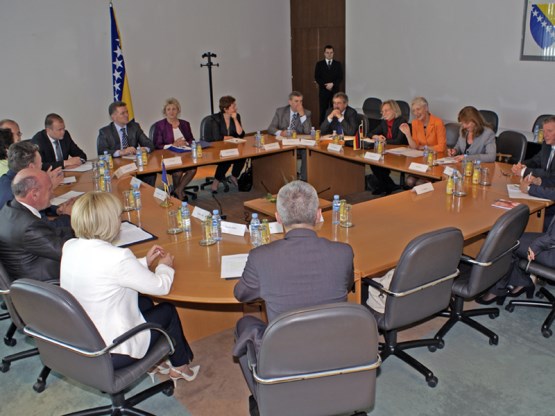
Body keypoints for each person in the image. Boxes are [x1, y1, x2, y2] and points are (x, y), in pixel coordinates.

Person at [60, 191, 199, 385]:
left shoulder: (71, 246)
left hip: (81, 338)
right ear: (109, 222)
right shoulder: (117, 257)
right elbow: (161, 286)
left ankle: (155, 364)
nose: (120, 221)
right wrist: (164, 266)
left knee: (144, 302)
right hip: (110, 351)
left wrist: (143, 262)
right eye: (118, 217)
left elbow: (105, 274)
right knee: (167, 310)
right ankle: (180, 367)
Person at [233, 180, 354, 400]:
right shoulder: (344, 252)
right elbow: (347, 285)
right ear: (318, 215)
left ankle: (267, 397)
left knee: (244, 324)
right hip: (334, 344)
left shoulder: (261, 257)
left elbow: (241, 294)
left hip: (284, 353)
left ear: (278, 218)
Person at [0, 168, 73, 281]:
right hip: (45, 285)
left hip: (26, 277)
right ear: (34, 194)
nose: (52, 193)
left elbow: (50, 233)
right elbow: (66, 251)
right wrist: (82, 226)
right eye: (49, 189)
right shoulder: (29, 226)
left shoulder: (9, 208)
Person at [97, 101, 156, 186]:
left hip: (134, 165)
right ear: (113, 117)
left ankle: (146, 197)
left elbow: (149, 143)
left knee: (150, 174)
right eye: (122, 113)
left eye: (127, 112)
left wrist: (144, 149)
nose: (127, 115)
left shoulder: (134, 127)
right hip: (116, 168)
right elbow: (101, 151)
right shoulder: (105, 132)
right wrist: (121, 152)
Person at [0, 141, 68, 214]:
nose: (42, 165)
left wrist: (57, 210)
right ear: (31, 167)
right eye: (40, 163)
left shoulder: (6, 179)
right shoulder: (18, 192)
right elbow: (40, 222)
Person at [152, 98, 197, 201]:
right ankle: (179, 192)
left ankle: (178, 190)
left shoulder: (185, 124)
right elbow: (157, 144)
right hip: (168, 156)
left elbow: (192, 140)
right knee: (178, 172)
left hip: (185, 155)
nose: (171, 112)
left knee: (193, 169)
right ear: (165, 112)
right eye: (168, 109)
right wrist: (173, 144)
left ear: (178, 111)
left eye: (174, 109)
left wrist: (185, 142)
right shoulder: (160, 125)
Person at [399, 97, 446, 187]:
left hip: (435, 162)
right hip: (421, 161)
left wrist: (424, 148)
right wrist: (407, 134)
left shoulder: (438, 122)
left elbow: (441, 147)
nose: (416, 113)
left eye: (418, 109)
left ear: (426, 108)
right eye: (413, 111)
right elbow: (414, 146)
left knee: (419, 183)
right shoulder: (415, 123)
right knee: (409, 181)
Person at [367, 100, 407, 195]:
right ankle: (388, 185)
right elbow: (370, 133)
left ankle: (387, 186)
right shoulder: (384, 122)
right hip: (388, 152)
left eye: (386, 111)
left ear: (394, 110)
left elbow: (398, 141)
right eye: (382, 111)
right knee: (373, 162)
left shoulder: (401, 121)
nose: (384, 114)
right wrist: (375, 136)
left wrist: (383, 141)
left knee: (379, 163)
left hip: (401, 154)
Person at [207, 95, 246, 193]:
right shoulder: (215, 119)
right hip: (216, 147)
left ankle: (234, 176)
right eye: (233, 106)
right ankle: (216, 180)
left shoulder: (237, 116)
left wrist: (235, 119)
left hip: (231, 145)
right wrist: (231, 137)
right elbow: (217, 137)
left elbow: (241, 134)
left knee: (243, 155)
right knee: (227, 158)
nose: (235, 108)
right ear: (225, 109)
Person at [314, 45, 343, 124]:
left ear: (333, 53)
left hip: (335, 92)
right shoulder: (319, 64)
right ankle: (322, 128)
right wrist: (326, 85)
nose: (329, 54)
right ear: (324, 53)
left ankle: (335, 127)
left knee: (335, 109)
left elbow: (340, 77)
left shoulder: (337, 64)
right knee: (323, 110)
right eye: (327, 53)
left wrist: (333, 84)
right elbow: (317, 77)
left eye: (331, 53)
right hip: (323, 92)